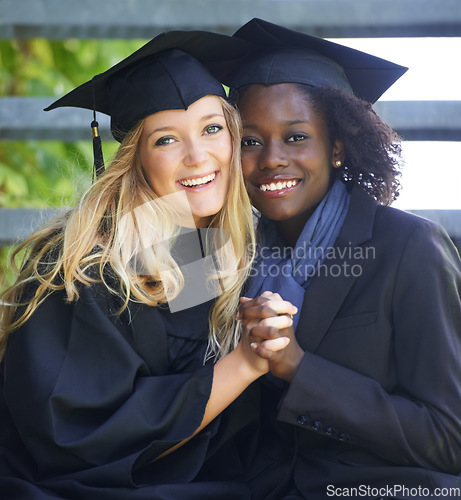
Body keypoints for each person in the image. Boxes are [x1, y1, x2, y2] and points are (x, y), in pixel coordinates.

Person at [0, 29, 296, 499]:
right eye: (166, 140)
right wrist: (246, 362)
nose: (198, 156)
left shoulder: (226, 247)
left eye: (212, 128)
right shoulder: (83, 266)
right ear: (136, 158)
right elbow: (76, 435)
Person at [228, 18, 461, 500]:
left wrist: (297, 367)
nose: (271, 158)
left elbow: (449, 439)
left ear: (337, 147)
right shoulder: (219, 251)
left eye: (296, 137)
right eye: (250, 141)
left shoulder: (410, 247)